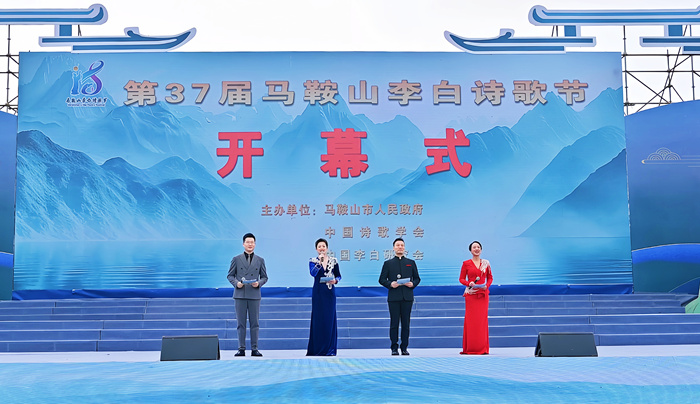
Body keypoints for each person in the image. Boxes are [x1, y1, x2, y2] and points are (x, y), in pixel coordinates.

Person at [227, 233, 268, 357]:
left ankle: (255, 348)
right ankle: (241, 348)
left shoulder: (260, 260)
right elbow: (230, 275)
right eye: (248, 242)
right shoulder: (236, 259)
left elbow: (265, 277)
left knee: (255, 323)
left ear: (255, 244)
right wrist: (236, 283)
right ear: (243, 244)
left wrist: (259, 283)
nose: (250, 244)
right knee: (241, 323)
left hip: (254, 294)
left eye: (252, 242)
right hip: (240, 294)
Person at [378, 237, 421, 355]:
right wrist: (390, 284)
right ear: (393, 248)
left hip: (407, 297)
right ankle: (394, 347)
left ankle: (404, 347)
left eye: (402, 245)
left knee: (406, 324)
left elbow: (417, 278)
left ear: (404, 247)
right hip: (394, 297)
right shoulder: (388, 263)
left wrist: (413, 284)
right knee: (394, 323)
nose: (400, 247)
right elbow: (381, 279)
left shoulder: (411, 263)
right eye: (397, 245)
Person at [306, 238, 342, 356]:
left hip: (329, 293)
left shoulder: (333, 261)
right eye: (319, 246)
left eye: (323, 246)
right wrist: (319, 263)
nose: (322, 248)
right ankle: (317, 349)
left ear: (327, 248)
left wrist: (335, 281)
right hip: (318, 293)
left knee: (329, 319)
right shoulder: (313, 261)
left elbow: (339, 276)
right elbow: (313, 273)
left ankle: (330, 349)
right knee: (318, 319)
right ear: (316, 249)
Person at [459, 240, 493, 355]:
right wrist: (469, 283)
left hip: (483, 295)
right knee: (471, 321)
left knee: (482, 321)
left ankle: (482, 348)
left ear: (481, 249)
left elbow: (490, 277)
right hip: (471, 295)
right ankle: (470, 347)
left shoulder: (486, 263)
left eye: (478, 247)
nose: (476, 249)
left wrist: (487, 286)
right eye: (474, 247)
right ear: (470, 250)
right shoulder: (466, 263)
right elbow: (461, 279)